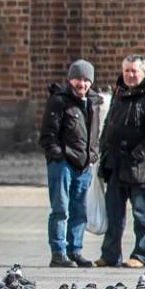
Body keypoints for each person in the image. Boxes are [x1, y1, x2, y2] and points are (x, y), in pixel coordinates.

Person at [96, 53, 145, 270]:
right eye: (126, 70)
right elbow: (109, 122)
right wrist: (103, 148)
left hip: (140, 167)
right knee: (114, 214)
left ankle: (141, 255)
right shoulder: (119, 92)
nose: (130, 75)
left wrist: (138, 153)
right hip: (116, 165)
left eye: (134, 71)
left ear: (144, 73)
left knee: (142, 215)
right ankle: (110, 255)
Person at [38, 59, 100, 268]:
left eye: (85, 79)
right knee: (61, 210)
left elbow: (94, 134)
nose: (81, 84)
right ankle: (58, 252)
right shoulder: (59, 101)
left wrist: (92, 155)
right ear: (70, 79)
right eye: (77, 79)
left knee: (80, 210)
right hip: (62, 164)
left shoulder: (93, 102)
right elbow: (48, 135)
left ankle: (75, 250)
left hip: (84, 165)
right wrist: (58, 155)